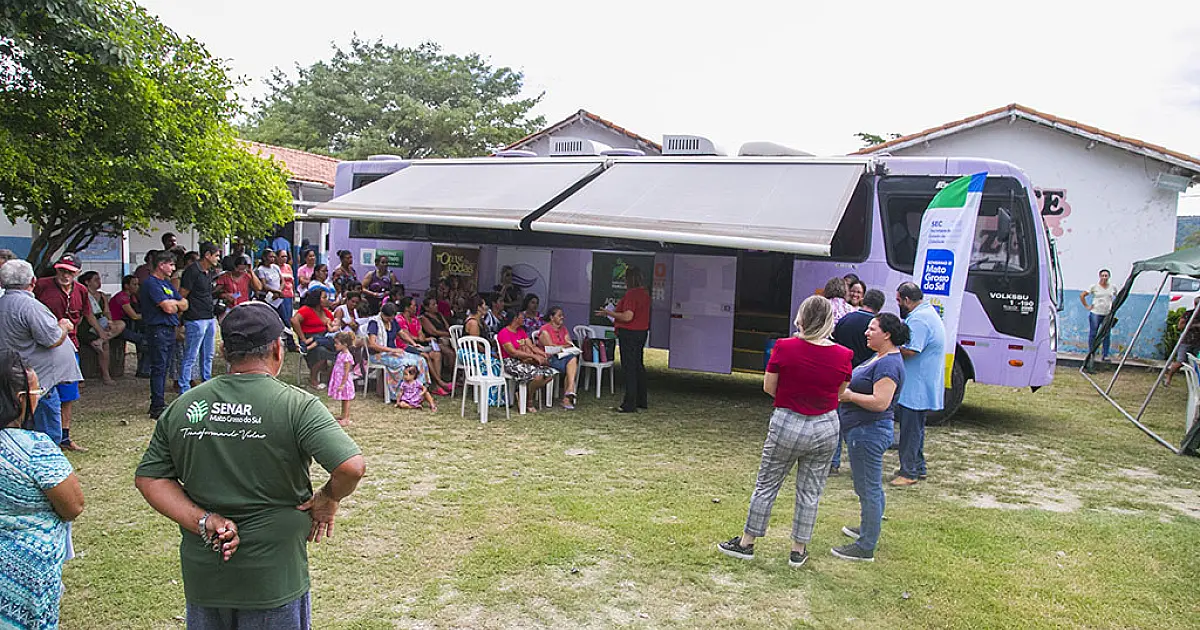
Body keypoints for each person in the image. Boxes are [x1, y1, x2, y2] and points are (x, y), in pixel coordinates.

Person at [135, 302, 365, 628]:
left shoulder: (185, 406)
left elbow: (150, 479)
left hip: (206, 578)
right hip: (274, 579)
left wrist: (204, 520)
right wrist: (329, 497)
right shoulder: (296, 405)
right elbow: (351, 467)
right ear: (276, 348)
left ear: (226, 350)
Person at [718, 295, 852, 568]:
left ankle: (747, 542)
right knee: (810, 491)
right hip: (825, 425)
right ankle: (798, 550)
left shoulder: (785, 347)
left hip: (788, 421)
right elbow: (840, 393)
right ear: (829, 321)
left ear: (802, 318)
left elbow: (769, 387)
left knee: (767, 484)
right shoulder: (844, 354)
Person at [0, 350, 85, 629]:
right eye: (37, 389)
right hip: (26, 571)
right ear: (20, 399)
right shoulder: (35, 448)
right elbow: (73, 506)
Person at [833, 312, 908, 562]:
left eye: (872, 329)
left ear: (886, 334)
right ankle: (868, 528)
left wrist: (850, 396)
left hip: (869, 432)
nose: (866, 332)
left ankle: (865, 546)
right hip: (862, 430)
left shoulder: (888, 364)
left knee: (868, 488)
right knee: (867, 485)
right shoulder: (880, 357)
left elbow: (880, 402)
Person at [0, 260, 82, 447]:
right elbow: (51, 339)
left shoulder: (5, 303)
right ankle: (49, 459)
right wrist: (63, 326)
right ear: (33, 281)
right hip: (38, 376)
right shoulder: (29, 306)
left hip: (17, 373)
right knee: (47, 428)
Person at [34, 254, 91, 451]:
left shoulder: (81, 290)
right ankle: (38, 435)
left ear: (77, 273)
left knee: (68, 394)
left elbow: (83, 314)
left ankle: (65, 437)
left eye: (70, 271)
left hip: (69, 346)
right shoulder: (41, 285)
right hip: (44, 346)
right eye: (62, 270)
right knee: (41, 391)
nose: (65, 275)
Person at [893, 282, 946, 487]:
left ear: (907, 300)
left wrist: (888, 348)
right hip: (922, 383)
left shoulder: (919, 320)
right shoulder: (926, 314)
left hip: (916, 386)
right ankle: (918, 466)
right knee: (916, 429)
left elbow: (912, 350)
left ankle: (909, 472)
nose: (898, 304)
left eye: (899, 301)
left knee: (910, 430)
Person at [829, 288, 886, 474]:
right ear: (880, 307)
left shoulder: (846, 319)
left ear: (863, 300)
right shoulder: (877, 328)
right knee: (861, 421)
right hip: (866, 377)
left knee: (836, 419)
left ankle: (833, 461)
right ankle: (859, 463)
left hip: (842, 374)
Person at [140, 251, 188, 419]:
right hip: (157, 329)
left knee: (165, 367)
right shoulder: (151, 284)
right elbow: (168, 308)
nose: (173, 268)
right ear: (161, 265)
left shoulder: (166, 284)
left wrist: (173, 304)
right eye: (171, 265)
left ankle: (160, 402)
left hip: (169, 329)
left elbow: (184, 303)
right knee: (159, 367)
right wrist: (174, 305)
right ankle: (157, 405)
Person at [597, 266, 651, 414]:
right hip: (641, 332)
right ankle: (642, 400)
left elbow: (628, 316)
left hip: (629, 333)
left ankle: (629, 403)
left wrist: (610, 313)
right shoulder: (644, 294)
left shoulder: (631, 295)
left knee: (629, 368)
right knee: (638, 365)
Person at [365, 303, 434, 401]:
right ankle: (399, 394)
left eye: (392, 318)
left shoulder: (393, 321)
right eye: (388, 318)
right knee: (403, 363)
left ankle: (418, 390)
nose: (390, 320)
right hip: (378, 355)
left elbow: (401, 333)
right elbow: (372, 344)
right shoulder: (374, 323)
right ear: (382, 314)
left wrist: (413, 343)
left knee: (420, 360)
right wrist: (392, 350)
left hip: (393, 353)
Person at [496, 311, 558, 412]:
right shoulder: (504, 333)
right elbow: (513, 352)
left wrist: (542, 354)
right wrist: (533, 356)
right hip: (511, 362)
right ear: (515, 319)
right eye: (522, 317)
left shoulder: (521, 331)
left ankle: (524, 395)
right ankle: (529, 400)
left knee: (550, 373)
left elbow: (532, 346)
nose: (524, 319)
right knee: (538, 376)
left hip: (525, 360)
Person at [179, 242, 219, 394]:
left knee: (208, 354)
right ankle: (184, 387)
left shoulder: (208, 272)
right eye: (216, 255)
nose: (217, 259)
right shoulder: (192, 271)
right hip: (195, 318)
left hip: (209, 316)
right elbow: (183, 294)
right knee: (191, 355)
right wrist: (180, 315)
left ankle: (206, 382)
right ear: (207, 255)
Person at [78, 270, 126, 385]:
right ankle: (106, 375)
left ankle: (101, 339)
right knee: (105, 346)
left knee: (121, 324)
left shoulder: (102, 295)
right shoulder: (83, 295)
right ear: (87, 282)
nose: (99, 282)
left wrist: (109, 322)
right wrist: (100, 332)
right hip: (86, 326)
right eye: (96, 280)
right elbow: (88, 316)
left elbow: (106, 312)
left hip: (101, 322)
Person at [397, 297, 451, 395]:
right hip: (405, 346)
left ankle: (436, 386)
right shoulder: (400, 319)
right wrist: (418, 338)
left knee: (436, 354)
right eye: (414, 305)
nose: (416, 308)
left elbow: (421, 335)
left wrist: (421, 338)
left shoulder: (415, 319)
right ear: (407, 308)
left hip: (417, 345)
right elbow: (406, 336)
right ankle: (440, 382)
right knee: (426, 356)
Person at [292, 290, 339, 389]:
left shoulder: (326, 312)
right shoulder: (306, 310)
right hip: (309, 338)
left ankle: (329, 376)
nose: (327, 299)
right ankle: (313, 378)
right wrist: (303, 338)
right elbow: (294, 320)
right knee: (320, 351)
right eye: (324, 297)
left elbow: (333, 325)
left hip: (325, 338)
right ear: (317, 299)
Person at [537, 306, 580, 409]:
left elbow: (570, 343)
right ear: (552, 318)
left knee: (572, 360)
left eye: (562, 315)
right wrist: (563, 346)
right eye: (559, 315)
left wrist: (560, 347)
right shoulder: (545, 330)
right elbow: (550, 348)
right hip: (549, 359)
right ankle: (568, 395)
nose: (562, 317)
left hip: (562, 357)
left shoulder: (563, 329)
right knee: (571, 365)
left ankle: (569, 392)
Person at [111, 274, 149, 378]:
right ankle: (144, 370)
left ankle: (143, 368)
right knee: (145, 341)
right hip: (118, 327)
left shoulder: (132, 297)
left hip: (128, 325)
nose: (137, 287)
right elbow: (134, 316)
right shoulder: (122, 298)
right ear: (127, 286)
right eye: (134, 284)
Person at [1081, 268, 1116, 362]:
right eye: (1103, 275)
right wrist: (1087, 306)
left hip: (1107, 314)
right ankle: (1091, 353)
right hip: (1096, 313)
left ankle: (1105, 355)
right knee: (1093, 333)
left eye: (1106, 275)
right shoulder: (1094, 287)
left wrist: (1113, 308)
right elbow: (1082, 295)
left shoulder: (1112, 287)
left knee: (1106, 335)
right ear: (1099, 276)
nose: (1104, 277)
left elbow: (1118, 296)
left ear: (1109, 277)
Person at [1165, 297, 1200, 387]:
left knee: (1197, 363)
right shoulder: (1188, 314)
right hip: (1186, 341)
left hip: (1198, 342)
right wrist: (1194, 325)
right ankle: (1168, 377)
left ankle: (1196, 383)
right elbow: (1180, 326)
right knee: (1180, 362)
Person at [420, 295, 456, 378]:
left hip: (447, 337)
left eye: (436, 304)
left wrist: (450, 333)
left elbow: (447, 326)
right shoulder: (424, 318)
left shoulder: (439, 315)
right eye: (433, 304)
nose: (436, 306)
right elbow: (433, 332)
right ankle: (452, 376)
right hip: (435, 341)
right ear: (427, 308)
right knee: (450, 353)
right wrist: (447, 334)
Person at [327, 331, 357, 426]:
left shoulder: (347, 357)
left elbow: (346, 372)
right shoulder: (340, 354)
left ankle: (346, 418)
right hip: (339, 379)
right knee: (343, 399)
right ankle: (343, 415)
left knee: (346, 399)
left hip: (345, 381)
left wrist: (343, 384)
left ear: (344, 344)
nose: (335, 345)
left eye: (337, 343)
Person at [255, 249, 285, 314]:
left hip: (278, 297)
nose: (273, 259)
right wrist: (276, 291)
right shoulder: (261, 269)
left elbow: (282, 281)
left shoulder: (275, 267)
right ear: (265, 258)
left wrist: (279, 291)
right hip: (269, 297)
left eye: (274, 257)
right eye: (270, 257)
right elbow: (264, 286)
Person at [277, 249, 297, 346]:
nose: (284, 259)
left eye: (286, 256)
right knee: (282, 318)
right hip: (280, 295)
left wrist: (293, 293)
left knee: (288, 318)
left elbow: (292, 281)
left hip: (289, 294)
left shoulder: (288, 267)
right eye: (282, 256)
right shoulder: (276, 268)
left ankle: (288, 340)